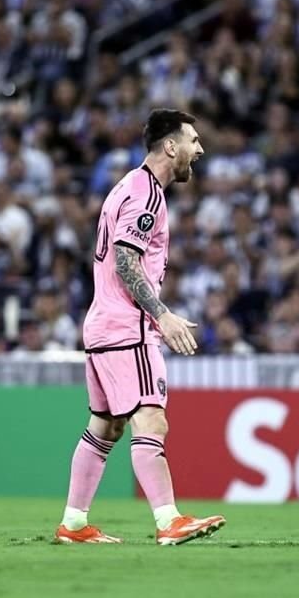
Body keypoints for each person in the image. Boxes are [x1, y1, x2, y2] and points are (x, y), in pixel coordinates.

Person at [55, 109, 225, 546]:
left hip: (101, 325)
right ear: (171, 147)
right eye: (193, 140)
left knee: (105, 426)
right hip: (128, 327)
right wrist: (161, 313)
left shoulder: (126, 187)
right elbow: (125, 260)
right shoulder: (147, 193)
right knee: (151, 417)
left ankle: (74, 524)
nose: (199, 149)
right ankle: (168, 520)